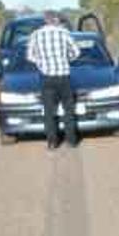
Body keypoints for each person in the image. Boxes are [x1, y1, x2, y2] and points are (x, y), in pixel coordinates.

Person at [26, 11, 81, 149]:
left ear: (45, 20)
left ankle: (52, 142)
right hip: (63, 76)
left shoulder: (35, 35)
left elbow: (30, 56)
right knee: (68, 109)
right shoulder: (64, 33)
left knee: (49, 111)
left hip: (46, 77)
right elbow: (77, 52)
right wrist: (66, 59)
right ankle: (71, 140)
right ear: (55, 19)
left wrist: (41, 63)